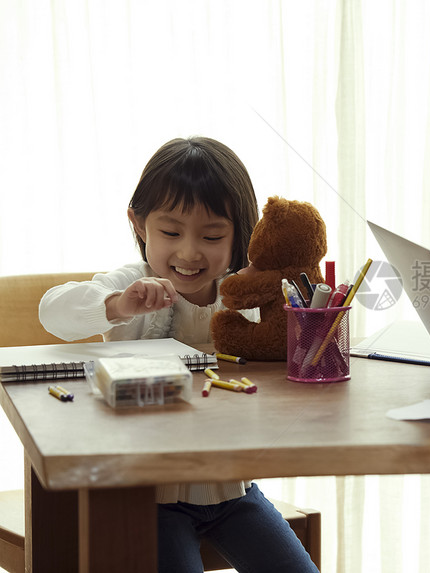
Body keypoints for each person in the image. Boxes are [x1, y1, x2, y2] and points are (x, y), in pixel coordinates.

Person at [39, 137, 318, 573]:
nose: (189, 252)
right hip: (149, 497)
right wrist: (116, 305)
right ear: (138, 224)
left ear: (239, 235)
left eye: (211, 235)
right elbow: (53, 309)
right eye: (170, 232)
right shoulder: (133, 284)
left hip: (232, 490)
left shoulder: (243, 294)